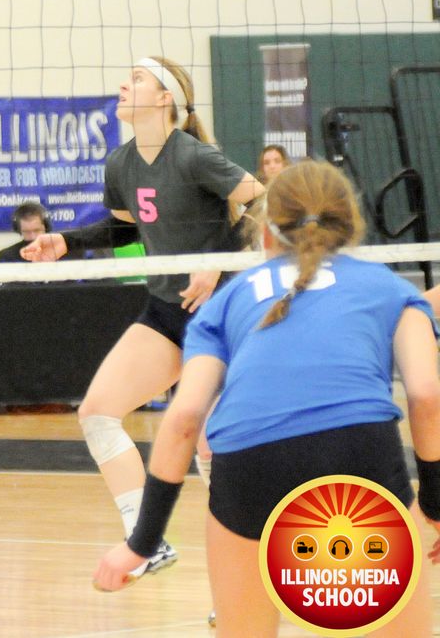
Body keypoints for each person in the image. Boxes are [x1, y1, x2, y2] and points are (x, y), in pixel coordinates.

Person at [93, 160, 439, 637]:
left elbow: (185, 418)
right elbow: (426, 396)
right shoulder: (389, 287)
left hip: (250, 467)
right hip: (359, 453)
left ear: (265, 233)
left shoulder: (225, 301)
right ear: (351, 225)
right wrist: (435, 506)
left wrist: (141, 543)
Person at [24, 57, 265, 579]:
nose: (122, 84)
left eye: (136, 79)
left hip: (219, 314)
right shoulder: (121, 163)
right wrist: (66, 241)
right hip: (165, 311)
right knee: (97, 413)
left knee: (212, 441)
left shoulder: (194, 156)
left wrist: (216, 260)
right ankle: (146, 541)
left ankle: (242, 572)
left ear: (164, 99)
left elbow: (263, 202)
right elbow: (125, 228)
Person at [0, 200, 79, 263]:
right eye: (27, 232)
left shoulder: (67, 252)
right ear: (19, 230)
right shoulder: (7, 257)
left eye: (37, 230)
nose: (33, 237)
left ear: (46, 227)